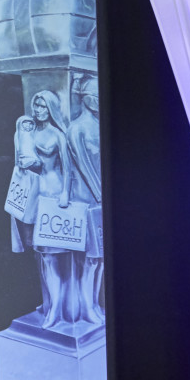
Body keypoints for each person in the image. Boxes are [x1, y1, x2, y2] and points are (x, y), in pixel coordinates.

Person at [10, 89, 74, 329]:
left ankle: (56, 310)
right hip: (31, 195)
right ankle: (48, 303)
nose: (38, 110)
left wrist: (66, 193)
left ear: (51, 109)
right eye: (36, 106)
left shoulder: (57, 134)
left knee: (50, 255)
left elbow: (67, 168)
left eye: (43, 107)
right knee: (38, 254)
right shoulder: (26, 130)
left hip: (52, 193)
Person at [66, 76, 104, 324]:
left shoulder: (99, 125)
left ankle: (94, 303)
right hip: (87, 201)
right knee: (89, 258)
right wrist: (102, 195)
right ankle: (85, 306)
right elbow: (83, 166)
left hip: (100, 200)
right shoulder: (77, 128)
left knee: (100, 257)